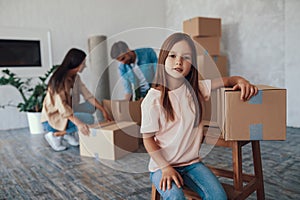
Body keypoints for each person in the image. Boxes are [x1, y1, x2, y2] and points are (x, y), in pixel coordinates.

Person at [141, 33, 258, 200]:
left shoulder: (197, 89)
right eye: (173, 55)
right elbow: (148, 139)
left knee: (219, 197)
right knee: (175, 197)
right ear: (163, 59)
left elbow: (229, 80)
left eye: (186, 57)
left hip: (191, 164)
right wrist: (165, 167)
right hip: (161, 166)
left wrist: (241, 81)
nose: (178, 61)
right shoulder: (152, 99)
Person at [41, 48, 112, 151]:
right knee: (89, 119)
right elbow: (62, 108)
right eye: (83, 63)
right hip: (53, 118)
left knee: (91, 106)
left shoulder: (76, 78)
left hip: (67, 113)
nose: (85, 66)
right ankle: (56, 135)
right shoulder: (58, 81)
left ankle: (66, 133)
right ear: (76, 63)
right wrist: (79, 123)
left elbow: (88, 95)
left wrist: (103, 110)